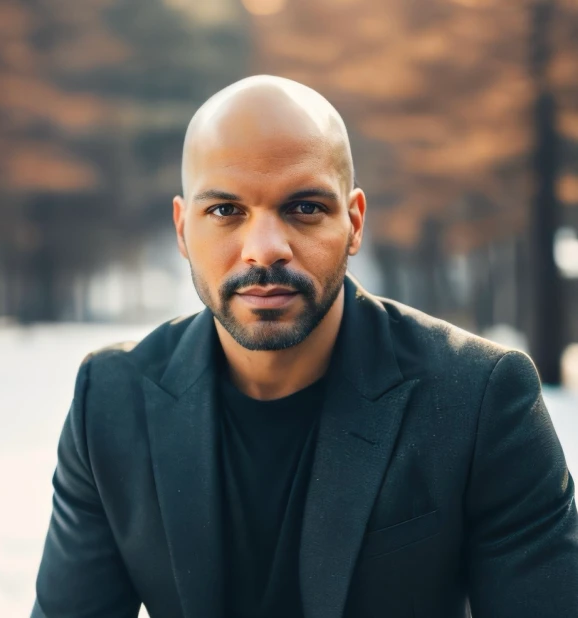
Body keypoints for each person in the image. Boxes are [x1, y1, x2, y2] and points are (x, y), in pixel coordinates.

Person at [31, 75, 578, 618]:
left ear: (354, 221)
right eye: (225, 211)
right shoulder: (109, 402)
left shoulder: (480, 398)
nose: (264, 250)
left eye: (304, 207)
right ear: (181, 229)